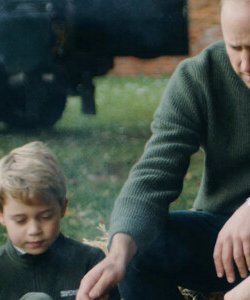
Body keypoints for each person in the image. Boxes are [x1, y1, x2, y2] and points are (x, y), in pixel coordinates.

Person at [76, 0, 250, 299]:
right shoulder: (198, 77)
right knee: (137, 251)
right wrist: (118, 252)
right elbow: (155, 171)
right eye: (236, 48)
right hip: (224, 242)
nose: (245, 65)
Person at [0, 141, 119, 300]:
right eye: (20, 220)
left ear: (62, 208)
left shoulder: (90, 263)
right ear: (0, 214)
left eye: (45, 217)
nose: (34, 230)